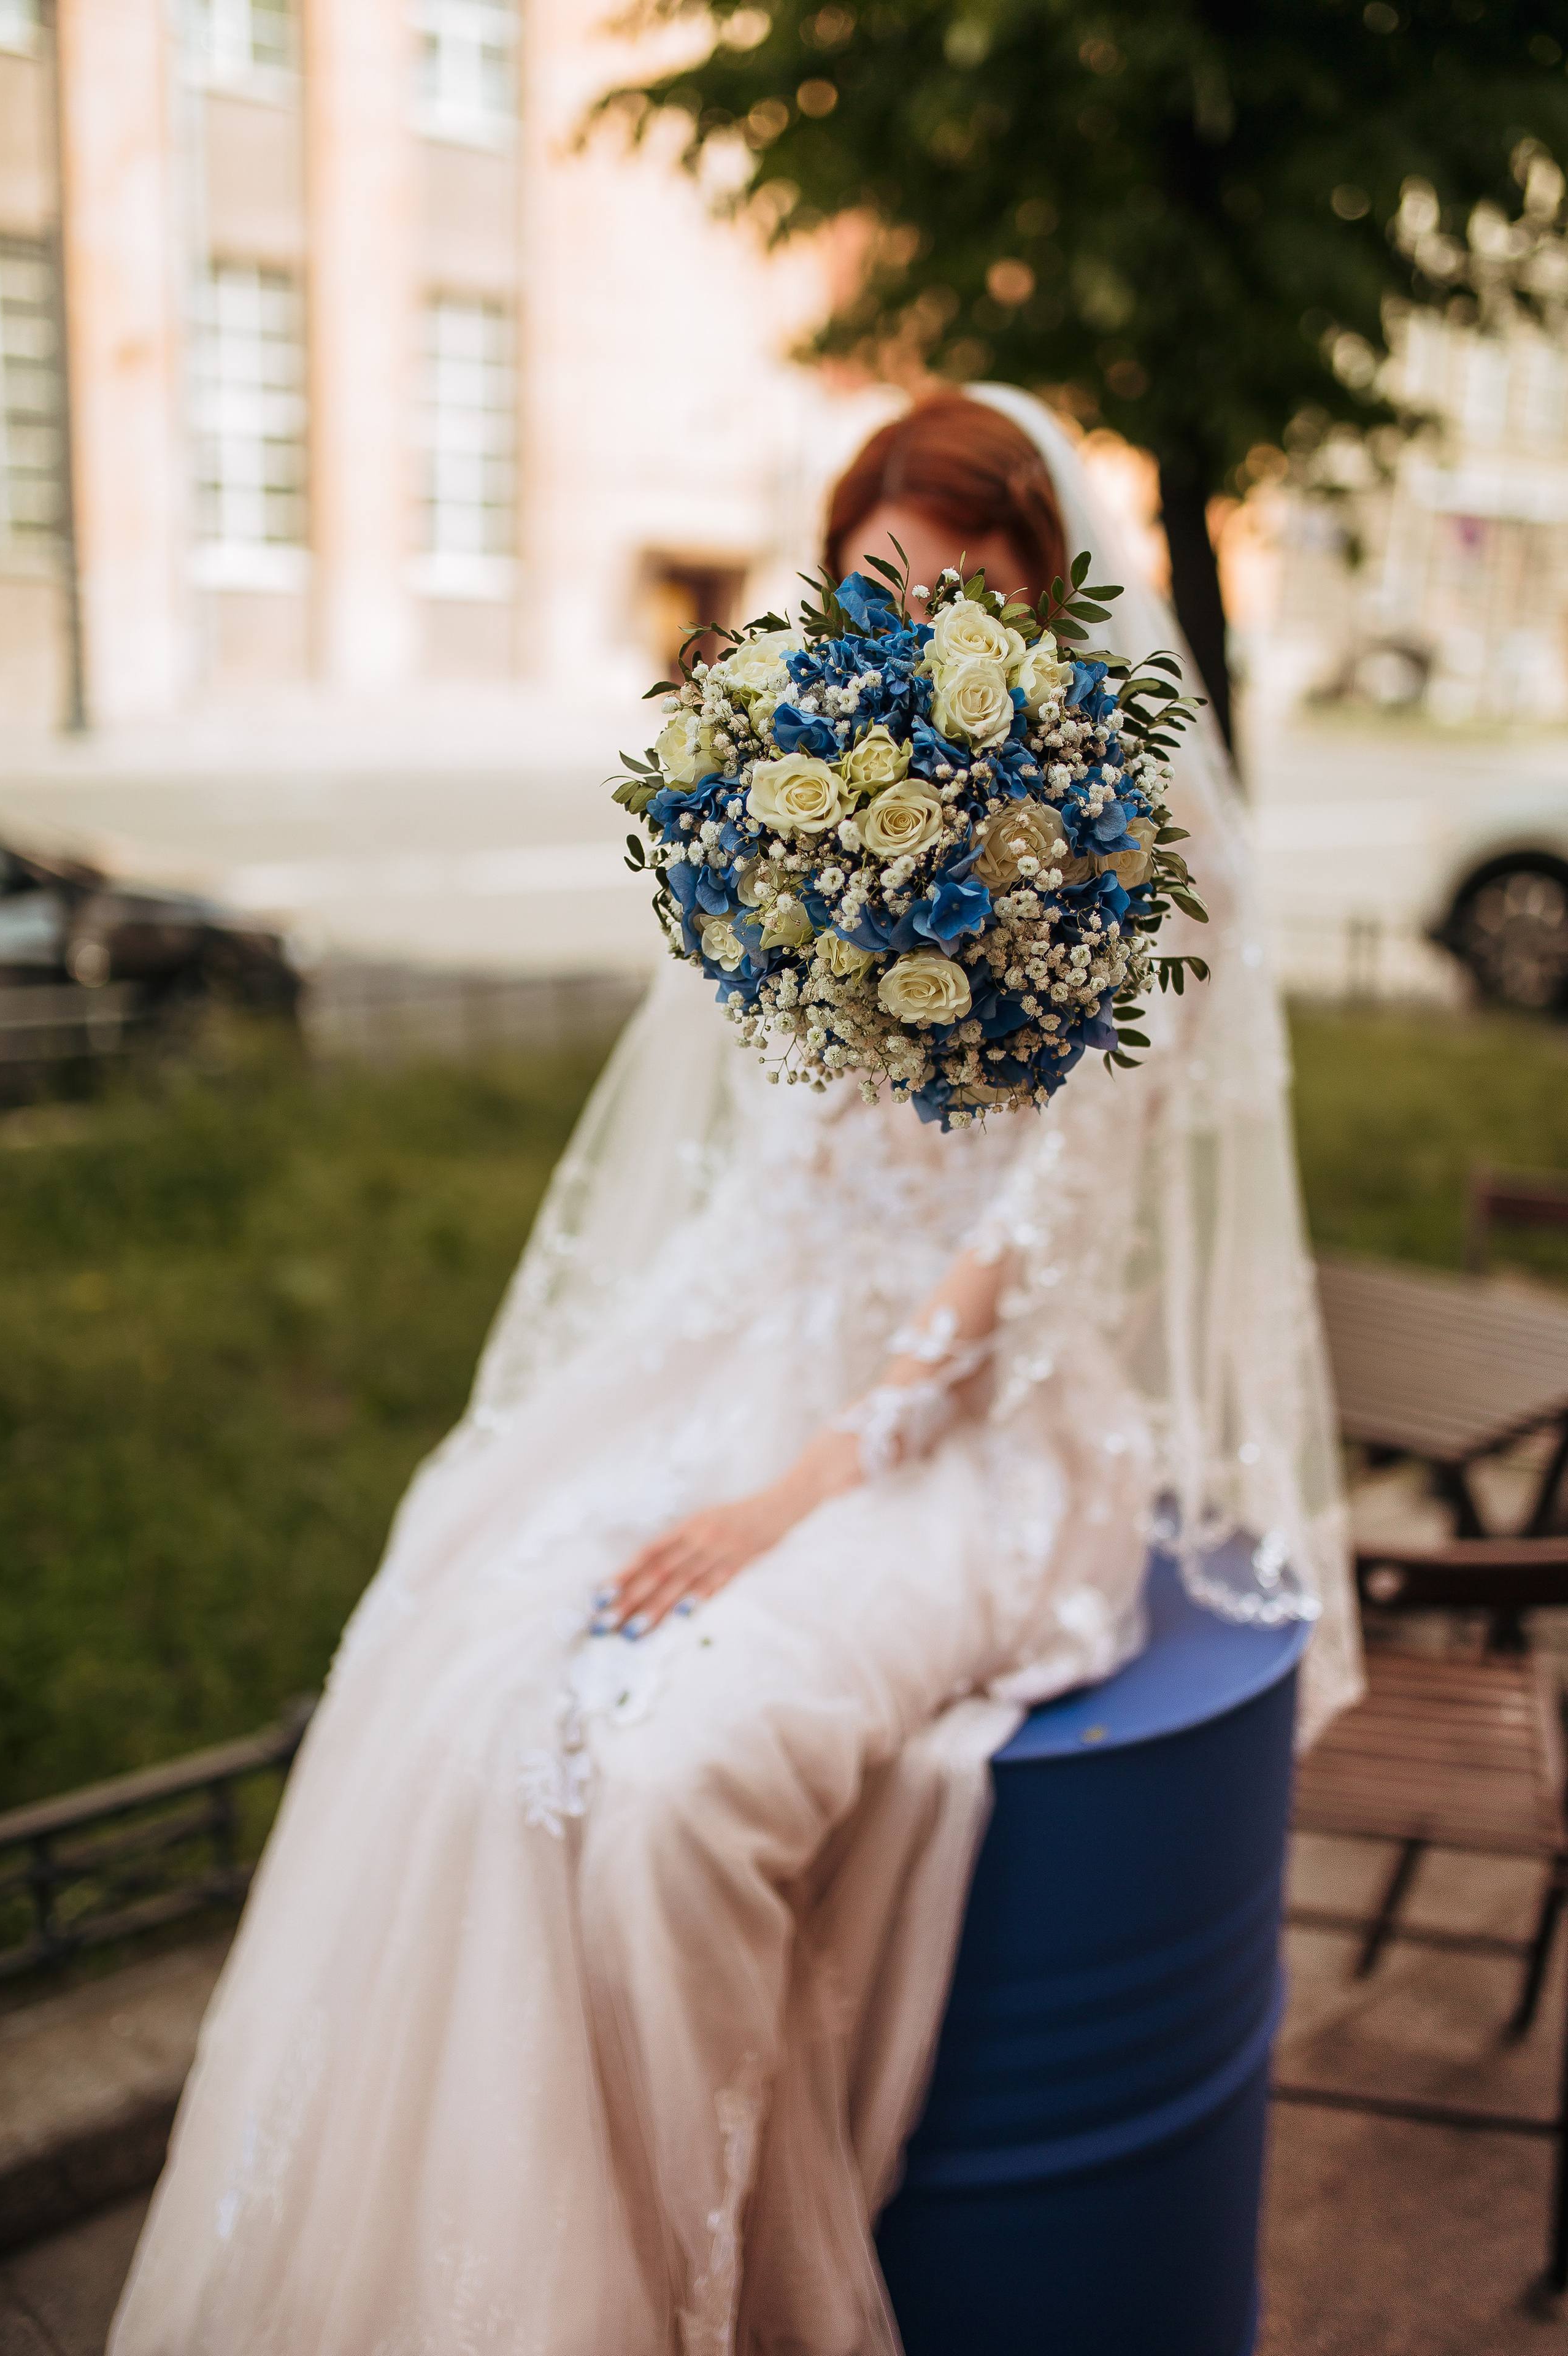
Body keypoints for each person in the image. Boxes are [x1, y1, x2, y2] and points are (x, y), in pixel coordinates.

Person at [109, 389, 1358, 2356]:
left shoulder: (1127, 840)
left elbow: (1039, 1229)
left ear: (1047, 595)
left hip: (980, 1427)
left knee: (679, 1782)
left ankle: (694, 2314)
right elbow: (777, 1171)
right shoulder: (805, 796)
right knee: (478, 1668)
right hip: (770, 1355)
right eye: (885, 573)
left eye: (969, 580)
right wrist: (635, 1401)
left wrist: (807, 1484)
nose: (919, 615)